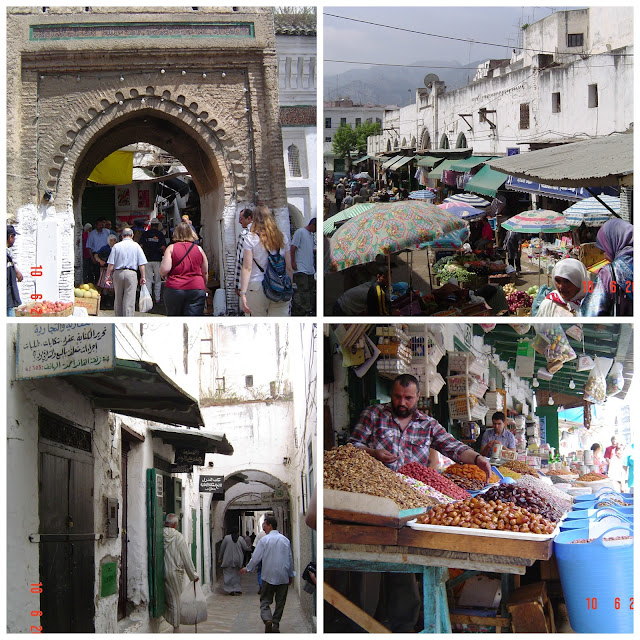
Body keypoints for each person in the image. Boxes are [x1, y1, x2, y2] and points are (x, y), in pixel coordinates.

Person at [348, 374, 492, 632]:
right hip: (374, 498)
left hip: (411, 501)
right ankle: (360, 622)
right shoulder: (374, 415)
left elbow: (454, 447)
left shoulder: (427, 424)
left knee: (403, 560)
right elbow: (352, 446)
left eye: (408, 397)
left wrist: (478, 458)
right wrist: (374, 453)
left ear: (418, 397)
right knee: (368, 563)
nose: (401, 402)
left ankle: (403, 624)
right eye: (397, 396)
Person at [239, 515, 294, 634]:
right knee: (280, 603)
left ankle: (267, 619)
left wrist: (247, 568)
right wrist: (290, 574)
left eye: (264, 525)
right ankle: (276, 624)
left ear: (270, 525)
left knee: (265, 602)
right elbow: (289, 559)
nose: (263, 527)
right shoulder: (285, 540)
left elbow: (256, 557)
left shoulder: (265, 540)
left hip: (268, 576)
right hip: (282, 576)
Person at [239, 205, 293, 317]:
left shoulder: (251, 238)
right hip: (280, 285)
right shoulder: (282, 237)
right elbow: (288, 267)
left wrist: (243, 293)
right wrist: (289, 285)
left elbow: (247, 268)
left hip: (257, 286)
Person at [581, 218, 633, 316]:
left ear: (615, 242)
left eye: (605, 249)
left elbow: (590, 314)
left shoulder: (609, 274)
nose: (605, 255)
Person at [160, 221, 208, 316]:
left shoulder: (171, 248)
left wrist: (162, 275)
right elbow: (205, 271)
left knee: (176, 321)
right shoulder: (199, 249)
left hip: (175, 288)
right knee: (194, 322)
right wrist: (204, 285)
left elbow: (165, 269)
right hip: (196, 288)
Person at [163, 513, 199, 633]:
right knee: (176, 601)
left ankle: (169, 620)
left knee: (166, 599)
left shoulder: (160, 534)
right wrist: (193, 575)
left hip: (161, 571)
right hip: (175, 573)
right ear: (175, 524)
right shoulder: (178, 537)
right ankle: (176, 628)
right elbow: (186, 558)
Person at [104, 228, 147, 317]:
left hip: (118, 273)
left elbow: (111, 264)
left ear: (122, 236)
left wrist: (107, 276)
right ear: (132, 236)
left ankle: (118, 318)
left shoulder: (116, 246)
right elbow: (141, 264)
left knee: (118, 298)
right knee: (130, 299)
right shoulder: (136, 246)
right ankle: (128, 319)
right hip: (131, 274)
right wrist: (143, 277)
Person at [291, 218, 316, 316]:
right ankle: (305, 310)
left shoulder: (310, 235)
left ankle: (309, 309)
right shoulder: (300, 232)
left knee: (310, 290)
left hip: (310, 268)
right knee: (303, 290)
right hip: (301, 268)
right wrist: (293, 262)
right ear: (313, 225)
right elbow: (293, 247)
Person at [139, 218, 167, 305]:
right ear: (158, 225)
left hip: (147, 260)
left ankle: (149, 298)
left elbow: (140, 246)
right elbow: (163, 248)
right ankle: (157, 299)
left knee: (148, 280)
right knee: (158, 280)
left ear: (150, 225)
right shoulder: (160, 234)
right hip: (157, 260)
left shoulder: (145, 234)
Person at [219, 528, 249, 596]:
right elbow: (245, 547)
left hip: (228, 559)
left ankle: (230, 589)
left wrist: (220, 558)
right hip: (238, 559)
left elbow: (222, 548)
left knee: (228, 575)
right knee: (237, 575)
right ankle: (236, 588)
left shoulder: (226, 538)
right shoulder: (240, 539)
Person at [234, 208, 253, 300]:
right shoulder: (268, 233)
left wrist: (238, 284)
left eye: (241, 219)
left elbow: (240, 260)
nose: (239, 221)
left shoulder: (245, 234)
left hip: (251, 282)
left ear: (248, 219)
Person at [95, 235, 117, 308]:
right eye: (111, 240)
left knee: (113, 287)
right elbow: (96, 255)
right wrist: (100, 261)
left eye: (114, 240)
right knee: (105, 287)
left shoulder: (117, 248)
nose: (113, 242)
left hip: (114, 270)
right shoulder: (105, 248)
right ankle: (104, 301)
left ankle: (111, 301)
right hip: (105, 269)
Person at [7, 224, 23, 316]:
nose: (14, 240)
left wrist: (16, 271)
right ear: (10, 237)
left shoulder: (8, 252)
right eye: (14, 237)